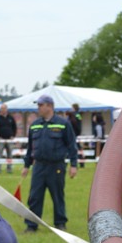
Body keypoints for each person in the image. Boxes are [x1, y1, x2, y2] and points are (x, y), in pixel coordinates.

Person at [21, 94, 78, 232]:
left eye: (40, 105)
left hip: (56, 166)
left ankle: (60, 223)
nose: (38, 108)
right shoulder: (34, 126)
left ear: (49, 106)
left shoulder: (63, 123)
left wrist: (74, 165)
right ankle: (32, 225)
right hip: (39, 166)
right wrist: (26, 165)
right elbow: (30, 147)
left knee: (57, 195)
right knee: (34, 196)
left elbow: (71, 145)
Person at [0, 104, 18, 173]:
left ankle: (9, 169)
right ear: (0, 110)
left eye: (4, 108)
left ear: (6, 109)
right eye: (2, 109)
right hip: (1, 139)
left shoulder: (11, 118)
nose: (3, 110)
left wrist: (13, 136)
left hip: (10, 139)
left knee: (10, 154)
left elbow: (14, 127)